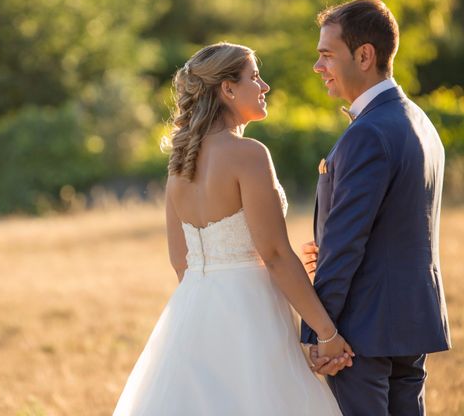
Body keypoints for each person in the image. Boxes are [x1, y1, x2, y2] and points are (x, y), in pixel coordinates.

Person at [113, 42, 350, 415]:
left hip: (194, 310)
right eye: (255, 77)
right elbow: (274, 254)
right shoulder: (250, 155)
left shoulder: (179, 165)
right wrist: (327, 333)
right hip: (251, 309)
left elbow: (181, 262)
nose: (265, 86)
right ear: (227, 89)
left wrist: (206, 314)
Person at [301, 0, 451, 415]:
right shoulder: (420, 122)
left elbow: (347, 244)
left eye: (326, 55)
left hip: (361, 334)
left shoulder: (367, 133)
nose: (319, 67)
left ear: (364, 55)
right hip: (410, 325)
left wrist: (321, 334)